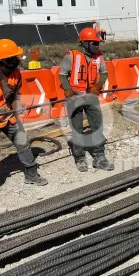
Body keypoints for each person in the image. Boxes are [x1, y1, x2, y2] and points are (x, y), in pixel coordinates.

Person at [0, 39, 47, 203]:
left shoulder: (16, 74)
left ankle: (31, 174)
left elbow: (14, 95)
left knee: (23, 143)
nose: (18, 60)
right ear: (5, 60)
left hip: (9, 115)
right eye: (15, 58)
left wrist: (17, 107)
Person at [58, 28, 114, 172]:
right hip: (75, 97)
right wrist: (67, 89)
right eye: (94, 43)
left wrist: (98, 85)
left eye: (98, 43)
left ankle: (99, 157)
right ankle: (80, 157)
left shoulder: (98, 57)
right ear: (84, 43)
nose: (97, 46)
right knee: (77, 129)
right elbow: (63, 74)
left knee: (97, 125)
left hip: (91, 96)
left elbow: (104, 73)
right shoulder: (71, 56)